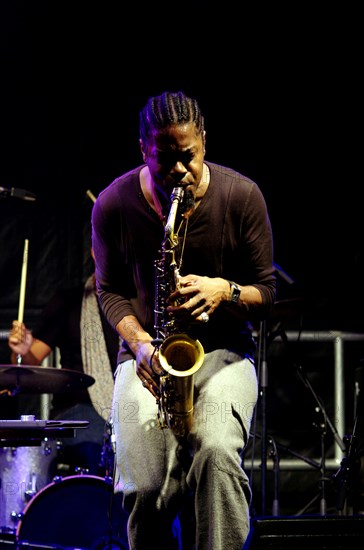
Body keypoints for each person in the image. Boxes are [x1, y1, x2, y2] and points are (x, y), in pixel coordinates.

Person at [91, 90, 276, 550]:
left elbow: (268, 291)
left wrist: (224, 290)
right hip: (147, 357)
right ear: (143, 150)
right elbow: (109, 291)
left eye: (188, 157)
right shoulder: (112, 204)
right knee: (145, 488)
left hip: (224, 354)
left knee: (215, 457)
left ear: (205, 143)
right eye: (164, 159)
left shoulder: (242, 196)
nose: (178, 171)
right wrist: (138, 345)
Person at [7, 256, 119, 478]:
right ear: (95, 251)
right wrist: (23, 350)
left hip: (128, 406)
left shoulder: (141, 303)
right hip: (78, 408)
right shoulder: (69, 301)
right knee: (96, 440)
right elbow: (29, 362)